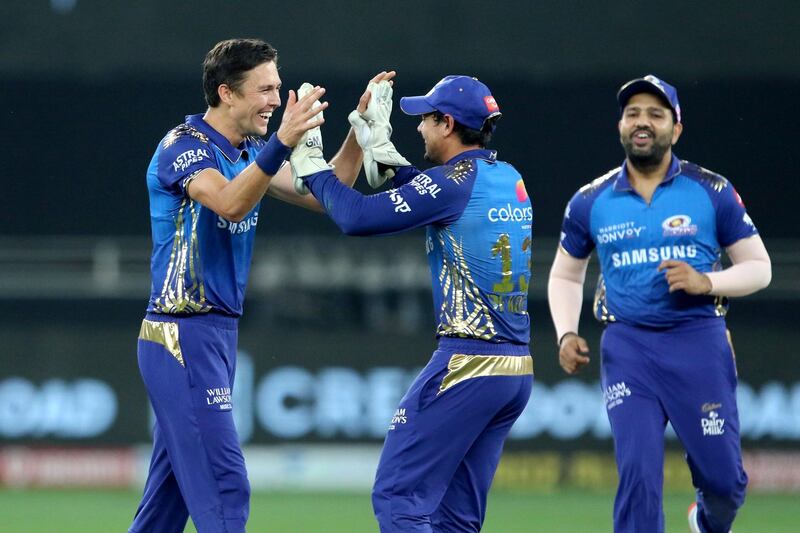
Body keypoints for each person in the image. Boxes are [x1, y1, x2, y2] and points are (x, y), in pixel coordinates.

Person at [130, 38, 385, 533]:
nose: (276, 98)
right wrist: (281, 144)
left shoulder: (249, 151)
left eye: (278, 87)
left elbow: (330, 193)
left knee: (165, 506)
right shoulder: (183, 146)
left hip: (215, 338)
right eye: (265, 89)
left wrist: (360, 128)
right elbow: (227, 202)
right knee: (226, 487)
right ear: (226, 93)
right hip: (182, 335)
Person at [290, 74, 534, 532]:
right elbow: (440, 193)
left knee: (398, 495)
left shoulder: (452, 185)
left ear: (446, 123)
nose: (419, 127)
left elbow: (358, 218)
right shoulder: (506, 176)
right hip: (514, 370)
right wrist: (387, 156)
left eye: (424, 119)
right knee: (456, 518)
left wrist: (312, 165)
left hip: (467, 364)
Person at [547, 75, 772, 533]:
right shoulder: (591, 200)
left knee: (725, 483)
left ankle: (706, 521)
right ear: (621, 127)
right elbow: (566, 273)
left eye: (655, 113)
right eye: (633, 114)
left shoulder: (710, 190)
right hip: (628, 347)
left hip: (699, 342)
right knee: (638, 476)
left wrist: (706, 280)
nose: (642, 122)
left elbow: (759, 267)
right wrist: (566, 332)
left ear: (676, 128)